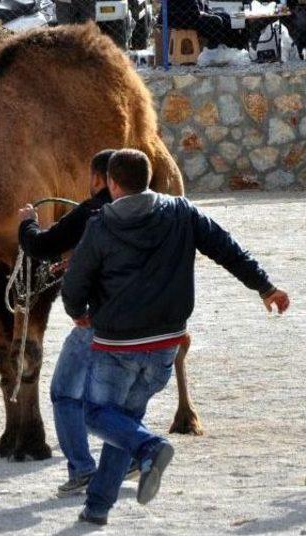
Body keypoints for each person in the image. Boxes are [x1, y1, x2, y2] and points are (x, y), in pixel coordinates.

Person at [61, 149, 290, 525]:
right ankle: (97, 507)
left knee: (97, 414)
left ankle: (150, 447)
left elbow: (75, 282)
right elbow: (226, 248)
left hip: (117, 346)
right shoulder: (181, 212)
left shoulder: (101, 225)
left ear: (113, 183)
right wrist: (264, 287)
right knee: (125, 422)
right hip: (166, 344)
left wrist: (77, 312)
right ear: (147, 179)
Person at [18, 150, 140, 497]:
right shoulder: (160, 211)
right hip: (145, 322)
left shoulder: (92, 213)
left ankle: (88, 468)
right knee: (112, 397)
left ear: (102, 179)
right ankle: (129, 455)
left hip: (98, 320)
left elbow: (41, 246)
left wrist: (27, 222)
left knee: (65, 394)